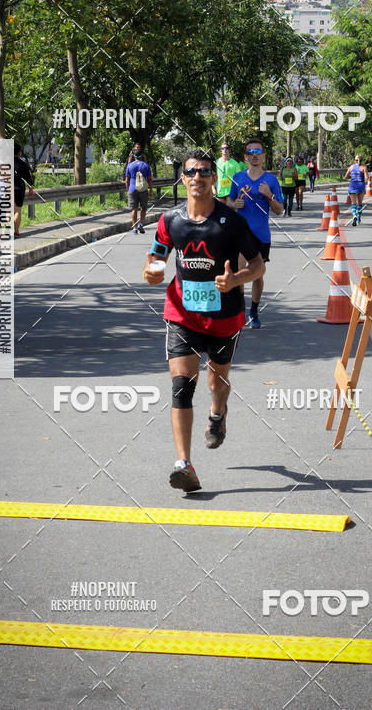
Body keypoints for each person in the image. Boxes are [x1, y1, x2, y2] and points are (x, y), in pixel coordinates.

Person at [142, 149, 264, 492]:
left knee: (217, 383)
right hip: (182, 315)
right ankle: (184, 463)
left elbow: (258, 266)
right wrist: (151, 271)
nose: (197, 177)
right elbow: (157, 256)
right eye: (191, 172)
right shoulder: (170, 221)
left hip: (225, 318)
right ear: (183, 178)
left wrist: (235, 280)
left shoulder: (231, 222)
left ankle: (218, 414)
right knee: (182, 386)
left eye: (204, 172)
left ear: (214, 179)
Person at [228, 138, 283, 328]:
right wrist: (235, 204)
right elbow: (228, 201)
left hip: (261, 234)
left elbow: (279, 210)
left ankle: (254, 310)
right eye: (250, 153)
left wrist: (269, 195)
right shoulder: (238, 178)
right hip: (240, 233)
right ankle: (240, 310)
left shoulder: (271, 180)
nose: (254, 156)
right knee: (241, 272)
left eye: (258, 152)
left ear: (263, 156)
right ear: (245, 157)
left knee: (257, 275)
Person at [125, 146, 153, 234]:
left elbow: (127, 180)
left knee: (134, 209)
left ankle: (134, 228)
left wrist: (128, 190)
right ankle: (141, 224)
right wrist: (151, 189)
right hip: (143, 189)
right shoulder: (146, 165)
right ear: (141, 156)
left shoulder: (129, 165)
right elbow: (149, 179)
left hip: (132, 188)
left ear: (134, 156)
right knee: (143, 208)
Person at [13, 143, 34, 236]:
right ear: (19, 152)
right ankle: (16, 231)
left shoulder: (4, 163)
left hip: (5, 189)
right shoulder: (23, 164)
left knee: (6, 210)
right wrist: (31, 189)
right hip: (19, 189)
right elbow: (29, 179)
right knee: (17, 211)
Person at [344, 155, 368, 225]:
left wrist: (352, 176)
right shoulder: (364, 167)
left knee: (353, 203)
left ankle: (354, 215)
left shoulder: (351, 167)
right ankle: (358, 218)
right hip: (361, 185)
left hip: (352, 185)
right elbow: (366, 178)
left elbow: (346, 176)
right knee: (360, 203)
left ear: (355, 160)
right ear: (362, 160)